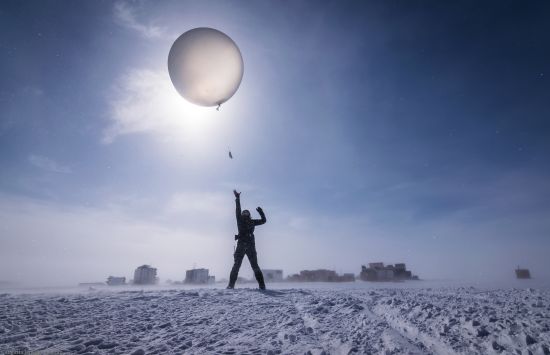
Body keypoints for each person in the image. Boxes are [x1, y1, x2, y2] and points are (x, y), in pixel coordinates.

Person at [227, 189, 267, 290]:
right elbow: (238, 209)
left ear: (249, 214)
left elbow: (263, 221)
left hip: (250, 246)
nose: (244, 213)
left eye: (246, 212)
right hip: (241, 245)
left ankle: (262, 285)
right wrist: (237, 198)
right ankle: (230, 285)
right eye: (243, 212)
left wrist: (261, 212)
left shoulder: (252, 222)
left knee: (255, 266)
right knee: (236, 266)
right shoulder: (239, 221)